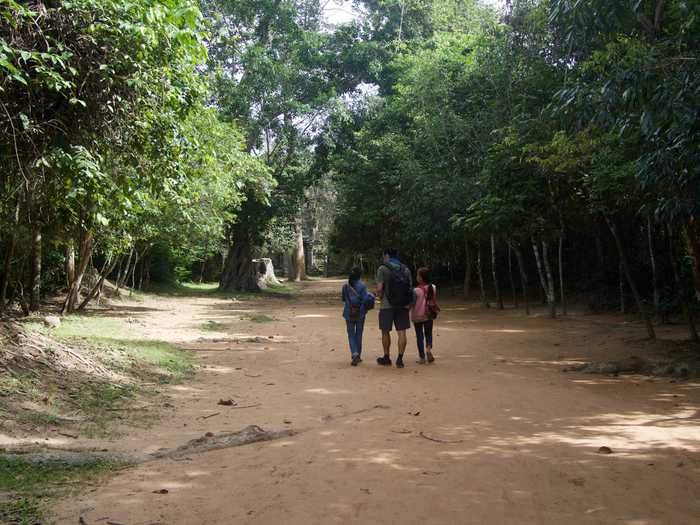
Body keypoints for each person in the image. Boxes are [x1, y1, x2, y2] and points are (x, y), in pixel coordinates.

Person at [375, 248, 413, 368]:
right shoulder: (405, 269)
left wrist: (380, 298)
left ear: (386, 255)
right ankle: (400, 359)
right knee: (402, 332)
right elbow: (410, 289)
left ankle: (386, 357)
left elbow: (380, 288)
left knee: (385, 332)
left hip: (387, 305)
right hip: (402, 305)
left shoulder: (382, 268)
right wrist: (408, 304)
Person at [342, 266, 371, 366]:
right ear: (360, 275)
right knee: (359, 333)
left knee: (351, 334)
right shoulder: (362, 286)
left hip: (348, 312)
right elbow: (366, 299)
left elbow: (344, 299)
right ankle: (358, 355)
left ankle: (354, 354)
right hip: (360, 313)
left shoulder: (345, 286)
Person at [411, 267, 436, 364]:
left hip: (417, 316)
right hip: (429, 314)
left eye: (418, 275)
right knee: (428, 334)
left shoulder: (416, 290)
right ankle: (428, 348)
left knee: (419, 336)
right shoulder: (433, 287)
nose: (416, 277)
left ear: (421, 278)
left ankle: (422, 357)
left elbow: (412, 303)